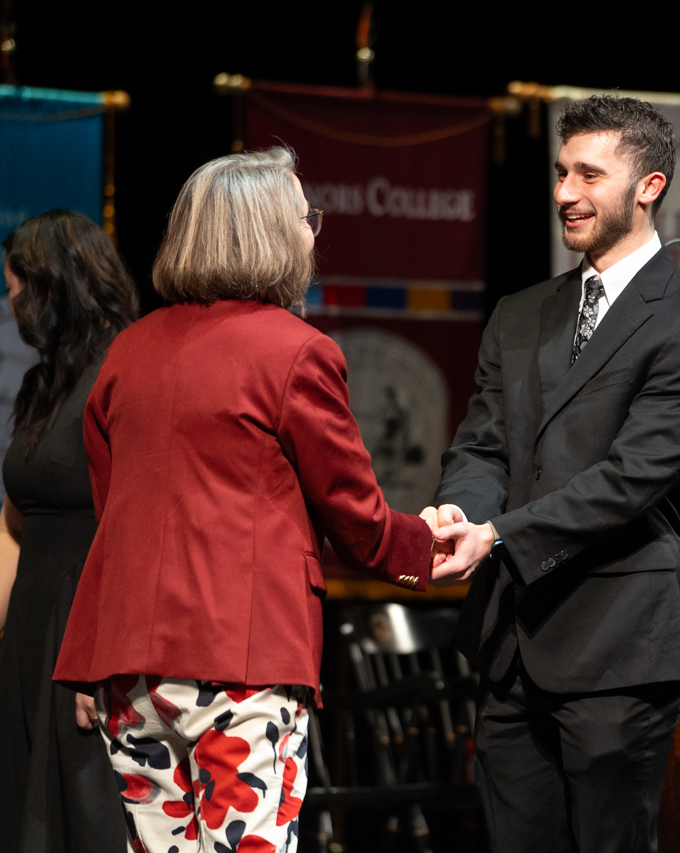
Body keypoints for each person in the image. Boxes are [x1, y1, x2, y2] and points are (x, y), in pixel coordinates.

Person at [50, 148, 453, 852]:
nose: (314, 232)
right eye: (307, 217)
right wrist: (437, 549)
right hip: (242, 664)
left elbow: (111, 520)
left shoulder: (127, 353)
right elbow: (357, 519)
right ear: (269, 232)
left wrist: (88, 657)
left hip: (131, 672)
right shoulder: (296, 352)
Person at [426, 95, 680, 852]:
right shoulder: (521, 312)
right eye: (562, 172)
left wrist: (497, 533)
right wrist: (461, 514)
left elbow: (629, 482)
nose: (566, 192)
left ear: (649, 186)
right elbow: (482, 445)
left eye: (589, 175)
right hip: (512, 645)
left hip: (618, 645)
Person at [0, 209, 138, 852]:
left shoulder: (125, 373)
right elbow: (14, 524)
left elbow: (137, 531)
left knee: (82, 820)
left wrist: (103, 656)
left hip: (87, 633)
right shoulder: (42, 384)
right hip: (34, 631)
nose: (11, 308)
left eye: (15, 291)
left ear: (52, 285)